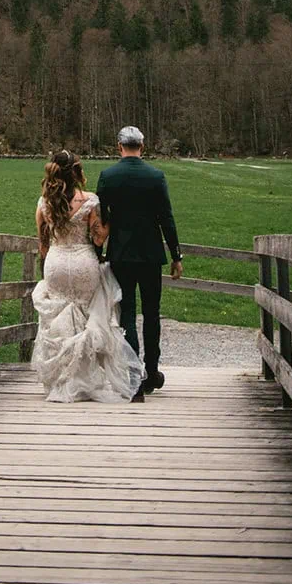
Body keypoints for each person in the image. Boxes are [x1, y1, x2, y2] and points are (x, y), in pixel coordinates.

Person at [31, 149, 145, 403]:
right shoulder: (90, 201)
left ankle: (61, 378)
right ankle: (83, 379)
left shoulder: (44, 203)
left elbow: (43, 244)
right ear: (77, 172)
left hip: (57, 262)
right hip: (83, 262)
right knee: (84, 316)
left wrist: (49, 262)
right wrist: (111, 222)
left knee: (58, 315)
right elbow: (99, 238)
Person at [97, 126, 182, 402]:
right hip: (150, 255)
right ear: (142, 147)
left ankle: (135, 378)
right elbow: (166, 218)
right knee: (152, 313)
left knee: (128, 315)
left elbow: (101, 219)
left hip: (121, 254)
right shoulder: (156, 177)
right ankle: (153, 370)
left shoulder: (108, 177)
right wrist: (176, 255)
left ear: (119, 146)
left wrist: (98, 251)